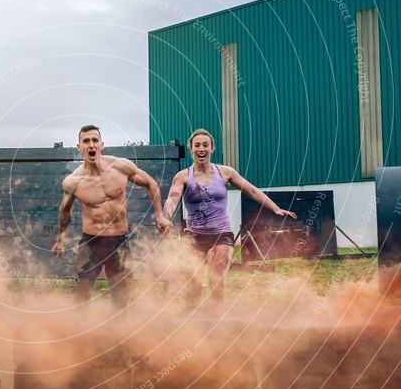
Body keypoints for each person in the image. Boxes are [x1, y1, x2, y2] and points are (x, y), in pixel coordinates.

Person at [163, 128, 296, 307]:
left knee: (216, 278)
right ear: (191, 150)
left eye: (205, 145)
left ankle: (217, 319)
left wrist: (276, 209)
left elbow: (252, 190)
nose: (201, 149)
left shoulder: (225, 172)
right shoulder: (183, 176)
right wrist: (166, 217)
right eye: (197, 145)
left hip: (221, 234)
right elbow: (172, 199)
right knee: (193, 283)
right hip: (195, 235)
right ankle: (190, 321)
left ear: (212, 149)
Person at [52, 125, 173, 306]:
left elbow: (150, 183)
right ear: (79, 147)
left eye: (95, 140)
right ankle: (79, 330)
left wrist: (159, 216)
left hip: (118, 240)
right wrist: (60, 239)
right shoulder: (72, 182)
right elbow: (65, 211)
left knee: (121, 293)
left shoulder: (120, 167)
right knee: (84, 289)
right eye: (86, 141)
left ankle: (118, 331)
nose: (91, 145)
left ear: (102, 145)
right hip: (91, 242)